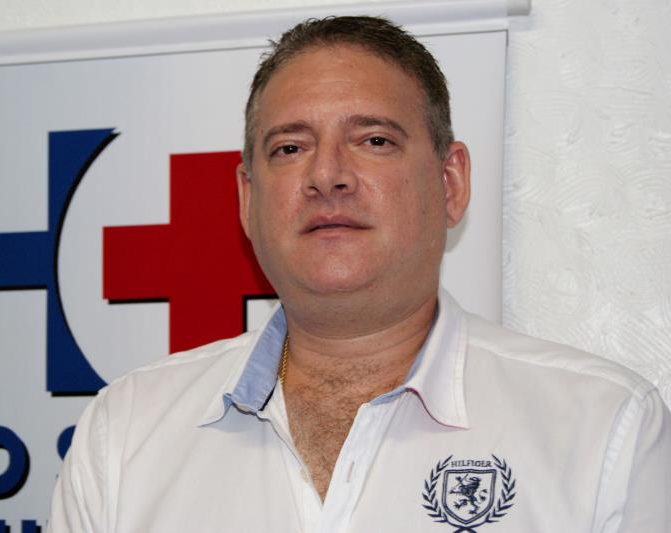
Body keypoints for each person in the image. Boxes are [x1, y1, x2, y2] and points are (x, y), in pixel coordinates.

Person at [48, 16, 671, 533]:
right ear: (247, 199)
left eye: (373, 140)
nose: (327, 176)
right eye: (290, 148)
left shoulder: (602, 429)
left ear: (450, 182)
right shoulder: (125, 432)